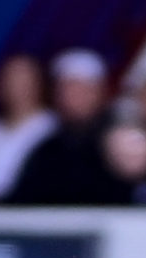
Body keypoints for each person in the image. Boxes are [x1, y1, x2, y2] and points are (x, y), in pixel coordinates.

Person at [9, 49, 114, 203]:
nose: (74, 96)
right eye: (68, 89)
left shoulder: (119, 142)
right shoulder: (46, 149)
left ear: (100, 92)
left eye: (83, 89)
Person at [0, 53, 57, 201]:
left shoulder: (52, 129)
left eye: (25, 80)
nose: (17, 87)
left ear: (39, 84)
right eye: (11, 80)